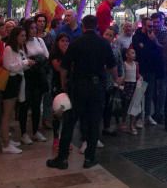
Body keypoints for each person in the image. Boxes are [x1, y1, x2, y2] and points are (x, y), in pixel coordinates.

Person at [47, 15, 117, 170]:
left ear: (83, 26)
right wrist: (117, 79)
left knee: (70, 122)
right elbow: (112, 66)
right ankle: (89, 158)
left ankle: (62, 158)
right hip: (97, 87)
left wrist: (65, 84)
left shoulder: (76, 43)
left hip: (78, 86)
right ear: (97, 26)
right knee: (94, 122)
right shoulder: (103, 43)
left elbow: (64, 67)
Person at [18, 17, 49, 145]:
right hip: (27, 77)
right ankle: (23, 133)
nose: (34, 30)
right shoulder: (22, 43)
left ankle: (35, 131)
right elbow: (22, 59)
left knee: (37, 104)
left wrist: (36, 60)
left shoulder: (39, 40)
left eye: (35, 28)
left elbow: (46, 55)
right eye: (31, 28)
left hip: (39, 76)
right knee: (25, 105)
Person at [133, 17, 162, 125]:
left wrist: (153, 41)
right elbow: (141, 52)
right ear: (144, 25)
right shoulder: (137, 37)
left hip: (151, 69)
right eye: (149, 26)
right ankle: (138, 118)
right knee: (139, 94)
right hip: (141, 69)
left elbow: (158, 51)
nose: (152, 28)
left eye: (153, 26)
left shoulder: (153, 37)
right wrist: (148, 48)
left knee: (149, 94)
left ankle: (148, 115)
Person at [48, 33, 71, 155]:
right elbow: (59, 68)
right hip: (57, 86)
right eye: (62, 41)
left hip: (69, 86)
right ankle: (56, 139)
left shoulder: (71, 54)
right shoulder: (55, 55)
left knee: (68, 114)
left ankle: (65, 139)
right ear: (57, 42)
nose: (65, 43)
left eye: (67, 41)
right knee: (58, 113)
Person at [120, 46, 141, 133]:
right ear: (127, 55)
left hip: (134, 85)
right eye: (132, 53)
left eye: (134, 53)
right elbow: (122, 75)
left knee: (134, 106)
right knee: (125, 105)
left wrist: (140, 78)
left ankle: (132, 124)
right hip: (126, 85)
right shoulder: (124, 64)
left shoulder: (136, 64)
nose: (134, 55)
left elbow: (137, 75)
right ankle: (123, 122)